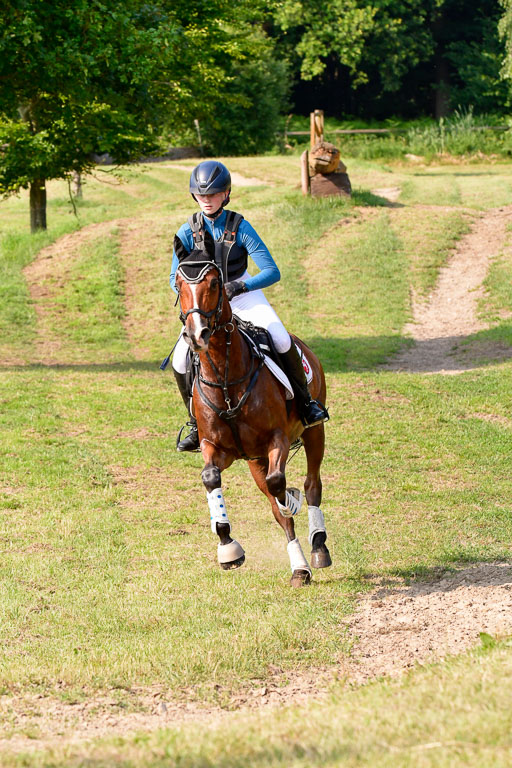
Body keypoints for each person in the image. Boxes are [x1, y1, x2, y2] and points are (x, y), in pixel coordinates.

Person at [170, 160, 329, 452]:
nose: (207, 200)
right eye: (202, 195)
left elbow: (271, 271)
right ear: (195, 196)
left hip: (243, 294)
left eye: (213, 194)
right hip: (206, 304)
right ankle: (195, 423)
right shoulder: (186, 231)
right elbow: (173, 277)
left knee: (280, 337)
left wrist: (240, 286)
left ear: (226, 194)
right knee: (180, 358)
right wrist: (196, 297)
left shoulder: (240, 227)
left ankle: (307, 406)